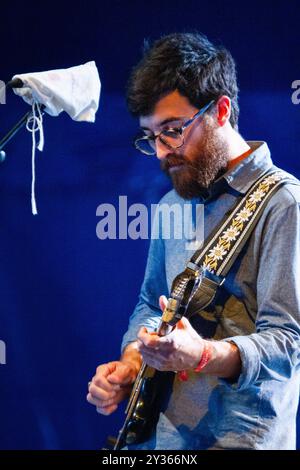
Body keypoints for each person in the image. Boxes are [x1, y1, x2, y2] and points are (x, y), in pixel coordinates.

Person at [87, 32, 300, 450]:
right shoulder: (173, 199)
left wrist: (201, 354)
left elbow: (288, 343)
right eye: (150, 137)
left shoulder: (284, 203)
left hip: (236, 438)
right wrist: (131, 362)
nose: (163, 153)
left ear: (221, 110)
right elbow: (152, 302)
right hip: (156, 438)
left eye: (173, 130)